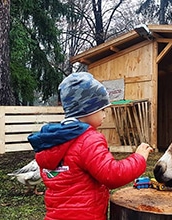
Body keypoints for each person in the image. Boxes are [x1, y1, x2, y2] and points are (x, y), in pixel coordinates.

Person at [28, 72, 153, 220]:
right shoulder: (88, 139)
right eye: (102, 109)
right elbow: (112, 175)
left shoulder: (52, 140)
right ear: (87, 109)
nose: (105, 115)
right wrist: (139, 158)